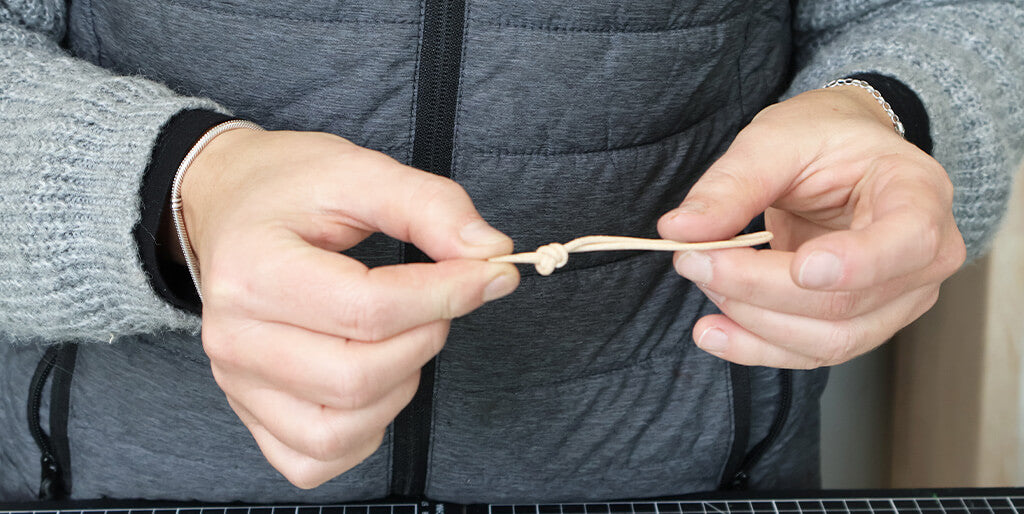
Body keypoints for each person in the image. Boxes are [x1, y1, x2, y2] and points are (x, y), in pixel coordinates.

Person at [1, 0, 1021, 504]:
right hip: (95, 480)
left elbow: (950, 13)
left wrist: (895, 118)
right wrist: (182, 189)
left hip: (691, 477)